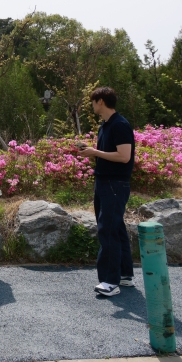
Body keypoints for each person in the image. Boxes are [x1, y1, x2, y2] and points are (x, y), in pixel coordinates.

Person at [77, 86, 136, 297]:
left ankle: (110, 281)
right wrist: (93, 153)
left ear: (101, 101)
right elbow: (112, 154)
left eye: (93, 101)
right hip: (105, 182)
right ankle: (125, 275)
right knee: (117, 228)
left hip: (114, 184)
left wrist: (95, 152)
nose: (92, 105)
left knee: (107, 230)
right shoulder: (106, 125)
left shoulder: (119, 125)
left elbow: (124, 156)